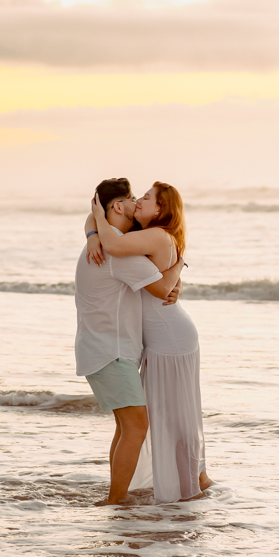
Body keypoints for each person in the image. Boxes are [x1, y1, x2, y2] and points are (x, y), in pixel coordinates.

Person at [88, 181, 211, 503]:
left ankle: (196, 481)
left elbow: (113, 243)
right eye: (136, 197)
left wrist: (97, 222)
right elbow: (103, 225)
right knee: (174, 413)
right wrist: (92, 232)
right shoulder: (142, 236)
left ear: (161, 209)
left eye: (146, 197)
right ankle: (197, 479)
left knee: (177, 416)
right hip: (162, 337)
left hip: (169, 337)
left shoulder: (154, 235)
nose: (139, 200)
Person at [75, 178, 185, 504]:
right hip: (111, 353)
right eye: (133, 197)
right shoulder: (117, 253)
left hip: (105, 350)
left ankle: (115, 498)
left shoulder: (106, 243)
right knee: (136, 426)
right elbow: (162, 289)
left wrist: (93, 228)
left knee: (126, 427)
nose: (137, 202)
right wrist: (179, 265)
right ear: (118, 207)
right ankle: (115, 502)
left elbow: (94, 216)